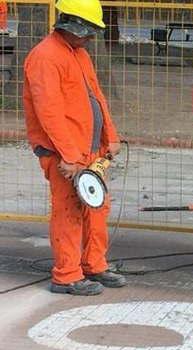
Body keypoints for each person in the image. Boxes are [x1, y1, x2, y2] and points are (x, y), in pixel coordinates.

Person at [23, 0, 126, 295]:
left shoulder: (78, 53)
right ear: (73, 26)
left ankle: (94, 264)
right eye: (88, 32)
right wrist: (69, 156)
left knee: (97, 207)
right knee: (69, 211)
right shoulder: (44, 57)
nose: (91, 38)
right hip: (64, 154)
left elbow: (97, 96)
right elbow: (49, 113)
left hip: (88, 150)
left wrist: (110, 136)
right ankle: (67, 275)